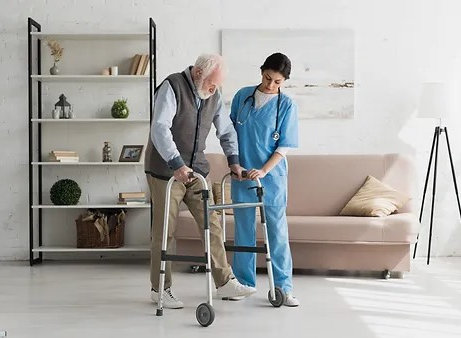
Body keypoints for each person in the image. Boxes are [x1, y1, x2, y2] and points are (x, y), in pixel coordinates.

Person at [145, 54, 256, 309]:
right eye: (211, 84)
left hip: (196, 170)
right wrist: (176, 164)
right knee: (165, 230)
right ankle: (161, 289)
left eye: (217, 85)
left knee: (212, 223)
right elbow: (159, 128)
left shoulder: (213, 95)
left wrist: (234, 161)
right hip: (165, 169)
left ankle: (225, 281)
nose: (214, 89)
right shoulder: (171, 87)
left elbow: (226, 129)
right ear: (197, 73)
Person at [229, 52, 300, 307]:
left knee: (277, 233)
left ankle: (283, 287)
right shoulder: (241, 97)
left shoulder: (287, 105)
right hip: (242, 175)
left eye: (278, 82)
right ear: (262, 71)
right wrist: (233, 163)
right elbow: (230, 135)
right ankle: (243, 284)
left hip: (271, 178)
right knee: (243, 231)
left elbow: (284, 146)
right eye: (268, 78)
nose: (271, 85)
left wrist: (264, 171)